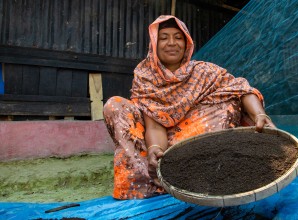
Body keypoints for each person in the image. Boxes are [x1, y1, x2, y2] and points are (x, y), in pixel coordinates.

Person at [103, 15, 276, 200]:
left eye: (178, 38)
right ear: (153, 43)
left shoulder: (204, 71)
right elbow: (154, 124)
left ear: (187, 44)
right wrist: (155, 149)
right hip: (157, 144)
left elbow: (242, 89)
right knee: (116, 105)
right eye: (164, 38)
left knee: (227, 104)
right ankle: (149, 181)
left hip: (193, 143)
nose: (172, 43)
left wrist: (259, 114)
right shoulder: (144, 77)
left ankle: (198, 177)